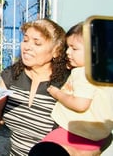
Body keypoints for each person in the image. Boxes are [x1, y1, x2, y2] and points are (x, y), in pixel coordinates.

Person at [0, 18, 71, 156]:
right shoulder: (11, 76)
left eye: (37, 43)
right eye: (25, 40)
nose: (27, 47)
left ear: (56, 51)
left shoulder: (67, 83)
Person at [39, 22, 113, 155]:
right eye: (68, 47)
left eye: (74, 48)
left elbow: (80, 104)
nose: (67, 52)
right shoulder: (103, 72)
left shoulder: (84, 73)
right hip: (97, 137)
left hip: (75, 133)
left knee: (42, 151)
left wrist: (57, 94)